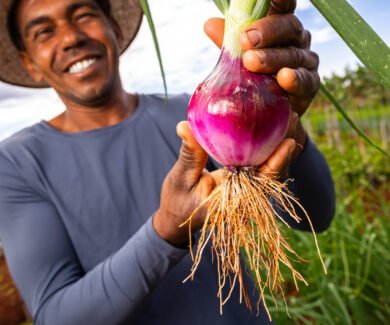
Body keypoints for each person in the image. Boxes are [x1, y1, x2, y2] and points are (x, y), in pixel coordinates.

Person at [0, 0, 335, 324]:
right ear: (29, 62)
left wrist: (287, 126)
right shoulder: (15, 163)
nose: (71, 38)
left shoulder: (186, 114)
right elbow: (56, 316)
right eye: (44, 32)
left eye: (83, 14)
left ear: (114, 28)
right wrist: (166, 232)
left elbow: (316, 215)